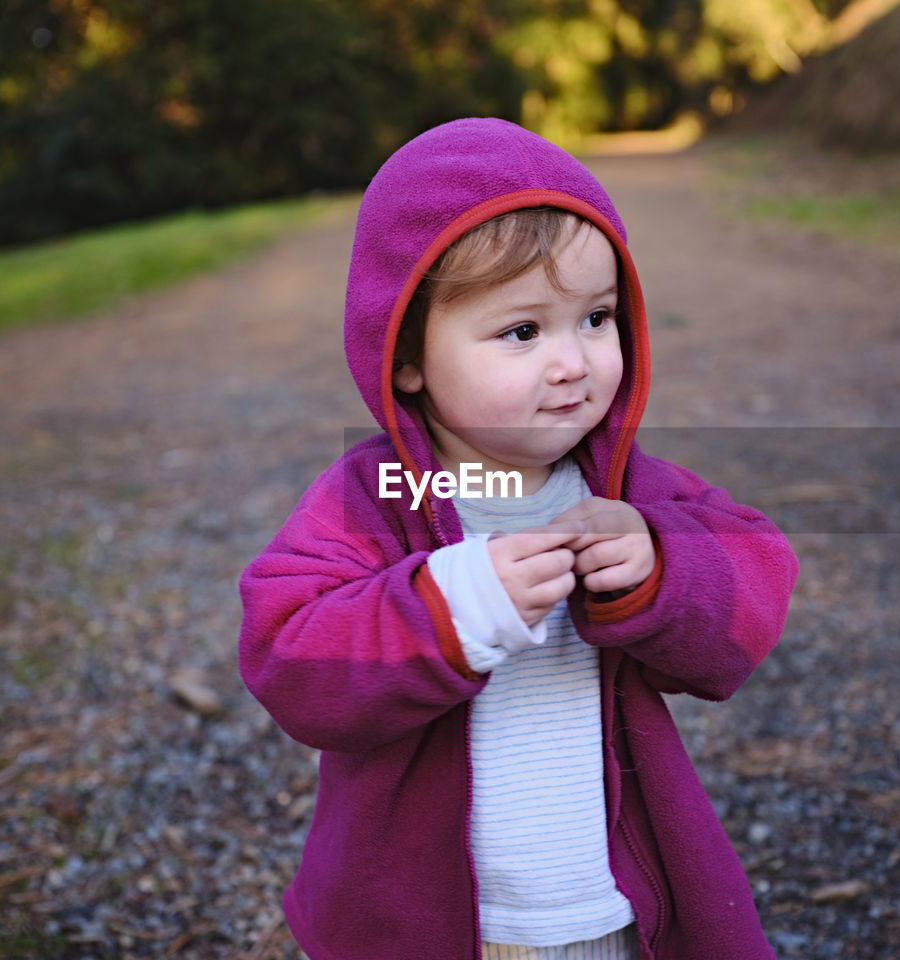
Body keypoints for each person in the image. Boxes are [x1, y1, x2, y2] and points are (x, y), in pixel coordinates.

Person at [239, 117, 799, 960]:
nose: (573, 362)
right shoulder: (383, 494)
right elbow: (288, 655)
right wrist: (452, 608)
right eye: (523, 332)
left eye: (597, 318)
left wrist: (659, 564)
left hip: (603, 901)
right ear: (407, 357)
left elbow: (757, 580)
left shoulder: (623, 485)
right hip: (437, 925)